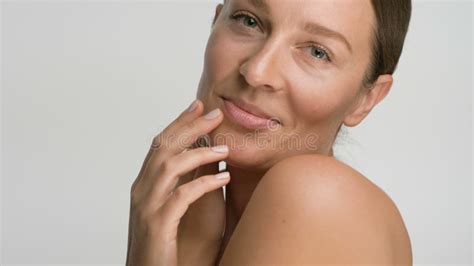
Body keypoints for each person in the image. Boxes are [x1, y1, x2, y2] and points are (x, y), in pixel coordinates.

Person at [126, 0, 413, 265]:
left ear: (368, 98)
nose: (256, 72)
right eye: (248, 21)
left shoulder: (314, 194)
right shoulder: (201, 222)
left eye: (317, 52)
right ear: (215, 21)